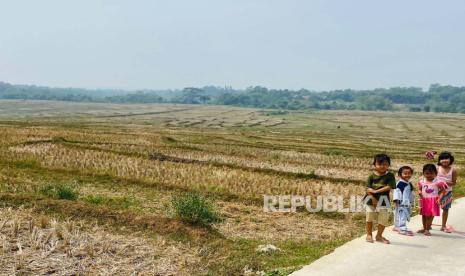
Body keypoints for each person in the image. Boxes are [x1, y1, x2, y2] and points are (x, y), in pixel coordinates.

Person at [364, 153, 396, 244]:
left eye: (385, 164)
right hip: (370, 200)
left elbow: (389, 186)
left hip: (384, 201)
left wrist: (376, 191)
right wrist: (374, 199)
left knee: (383, 218)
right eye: (379, 164)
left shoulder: (390, 176)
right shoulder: (371, 176)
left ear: (388, 165)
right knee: (369, 216)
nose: (382, 166)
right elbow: (367, 189)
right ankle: (369, 234)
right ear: (375, 165)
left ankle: (379, 236)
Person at [417, 164, 447, 236]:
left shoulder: (438, 182)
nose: (429, 175)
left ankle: (427, 229)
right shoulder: (422, 181)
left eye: (431, 173)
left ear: (435, 173)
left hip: (433, 201)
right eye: (427, 173)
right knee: (423, 215)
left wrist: (439, 198)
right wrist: (420, 192)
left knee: (430, 215)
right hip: (424, 200)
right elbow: (419, 189)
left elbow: (443, 191)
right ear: (423, 173)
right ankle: (424, 228)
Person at [436, 151, 457, 233]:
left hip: (447, 192)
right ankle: (427, 225)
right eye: (442, 159)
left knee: (446, 209)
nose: (444, 160)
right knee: (432, 208)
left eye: (446, 158)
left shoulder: (453, 170)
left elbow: (454, 183)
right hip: (435, 192)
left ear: (450, 159)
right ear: (439, 160)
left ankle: (443, 226)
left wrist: (445, 182)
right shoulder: (437, 168)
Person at [393, 166, 415, 236]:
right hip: (401, 203)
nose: (407, 175)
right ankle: (402, 229)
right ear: (400, 175)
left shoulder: (409, 183)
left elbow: (410, 193)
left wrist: (411, 201)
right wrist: (396, 200)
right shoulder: (400, 184)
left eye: (409, 173)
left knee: (398, 215)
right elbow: (396, 192)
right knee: (402, 216)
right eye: (405, 173)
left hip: (406, 202)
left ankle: (397, 226)